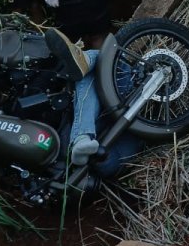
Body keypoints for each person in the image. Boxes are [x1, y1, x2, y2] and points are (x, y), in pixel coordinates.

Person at [45, 26, 138, 166]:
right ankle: (85, 60)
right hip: (109, 151)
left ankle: (81, 138)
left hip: (100, 152)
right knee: (106, 59)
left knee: (93, 67)